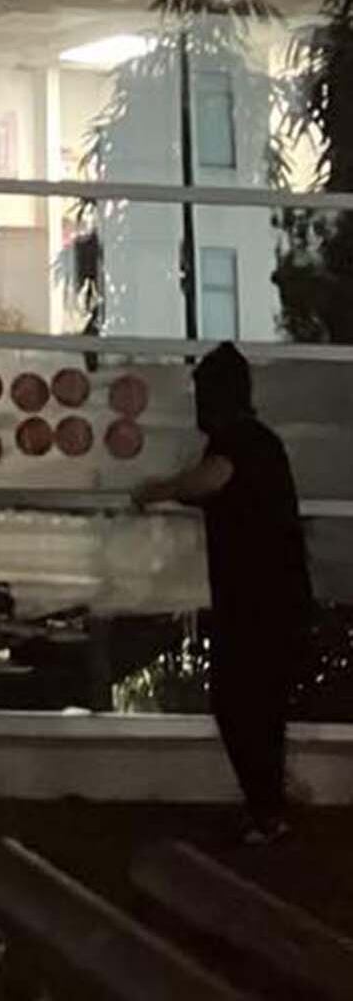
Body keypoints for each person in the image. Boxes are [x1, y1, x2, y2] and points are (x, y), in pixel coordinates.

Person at [132, 342, 312, 845]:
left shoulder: (239, 442)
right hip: (267, 599)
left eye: (202, 394)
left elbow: (208, 481)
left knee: (241, 703)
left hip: (259, 603)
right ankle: (267, 807)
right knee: (255, 705)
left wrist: (155, 490)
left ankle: (267, 813)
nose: (196, 405)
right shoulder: (258, 441)